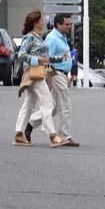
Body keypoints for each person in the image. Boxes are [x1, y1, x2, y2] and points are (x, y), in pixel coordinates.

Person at [13, 10, 70, 147]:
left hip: (38, 72)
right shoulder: (29, 37)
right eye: (41, 20)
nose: (43, 22)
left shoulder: (38, 38)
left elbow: (45, 58)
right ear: (35, 22)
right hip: (34, 73)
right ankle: (53, 135)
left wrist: (58, 58)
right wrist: (37, 59)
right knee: (48, 103)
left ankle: (19, 134)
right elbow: (21, 54)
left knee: (28, 105)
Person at [25, 14, 80, 147]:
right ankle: (64, 136)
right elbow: (46, 58)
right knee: (65, 105)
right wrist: (49, 78)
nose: (69, 26)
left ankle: (30, 124)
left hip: (61, 73)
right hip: (56, 73)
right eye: (67, 24)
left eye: (70, 24)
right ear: (58, 25)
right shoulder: (53, 39)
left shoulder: (62, 37)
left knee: (54, 106)